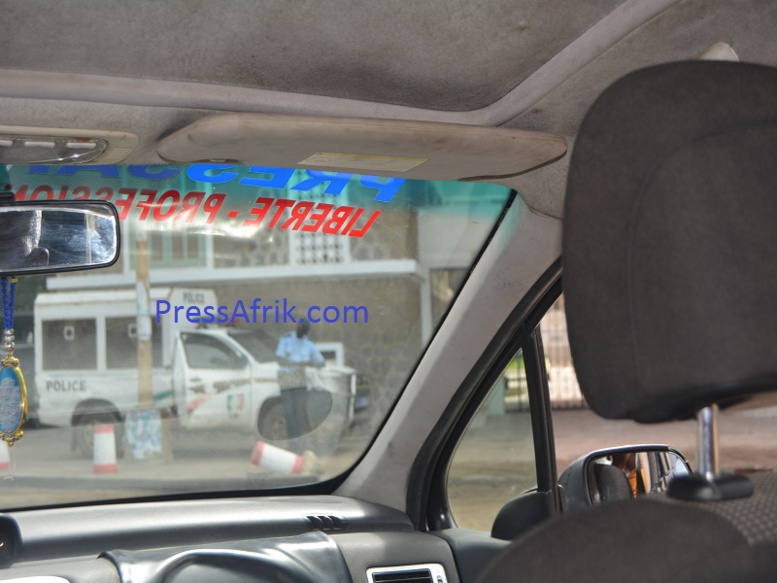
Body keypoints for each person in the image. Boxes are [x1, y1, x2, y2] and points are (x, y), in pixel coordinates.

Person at [275, 319, 324, 450]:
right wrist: (299, 364)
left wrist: (310, 363)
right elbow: (280, 360)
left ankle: (306, 446)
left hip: (300, 379)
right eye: (299, 329)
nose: (300, 332)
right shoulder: (286, 340)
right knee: (289, 413)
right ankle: (293, 446)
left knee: (300, 413)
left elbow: (320, 362)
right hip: (286, 378)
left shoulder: (309, 345)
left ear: (306, 332)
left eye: (303, 331)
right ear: (297, 328)